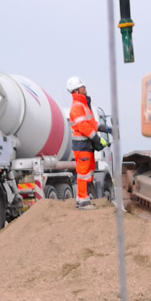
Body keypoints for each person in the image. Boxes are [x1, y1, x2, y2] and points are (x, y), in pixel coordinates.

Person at [65, 76, 100, 207]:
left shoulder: (83, 105)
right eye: (83, 87)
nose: (85, 88)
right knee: (83, 173)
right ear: (77, 91)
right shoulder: (77, 106)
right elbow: (83, 127)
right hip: (82, 145)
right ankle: (83, 201)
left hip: (86, 145)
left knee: (87, 172)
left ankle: (84, 199)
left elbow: (90, 123)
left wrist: (102, 127)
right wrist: (95, 137)